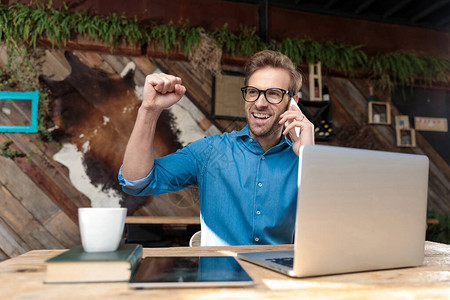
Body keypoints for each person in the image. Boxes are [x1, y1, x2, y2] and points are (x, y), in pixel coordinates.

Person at [118, 50, 314, 246]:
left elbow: (329, 229)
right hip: (219, 276)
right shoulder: (209, 151)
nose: (260, 103)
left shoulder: (303, 158)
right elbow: (135, 182)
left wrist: (310, 157)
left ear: (292, 103)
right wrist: (149, 110)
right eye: (253, 92)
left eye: (273, 94)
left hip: (278, 277)